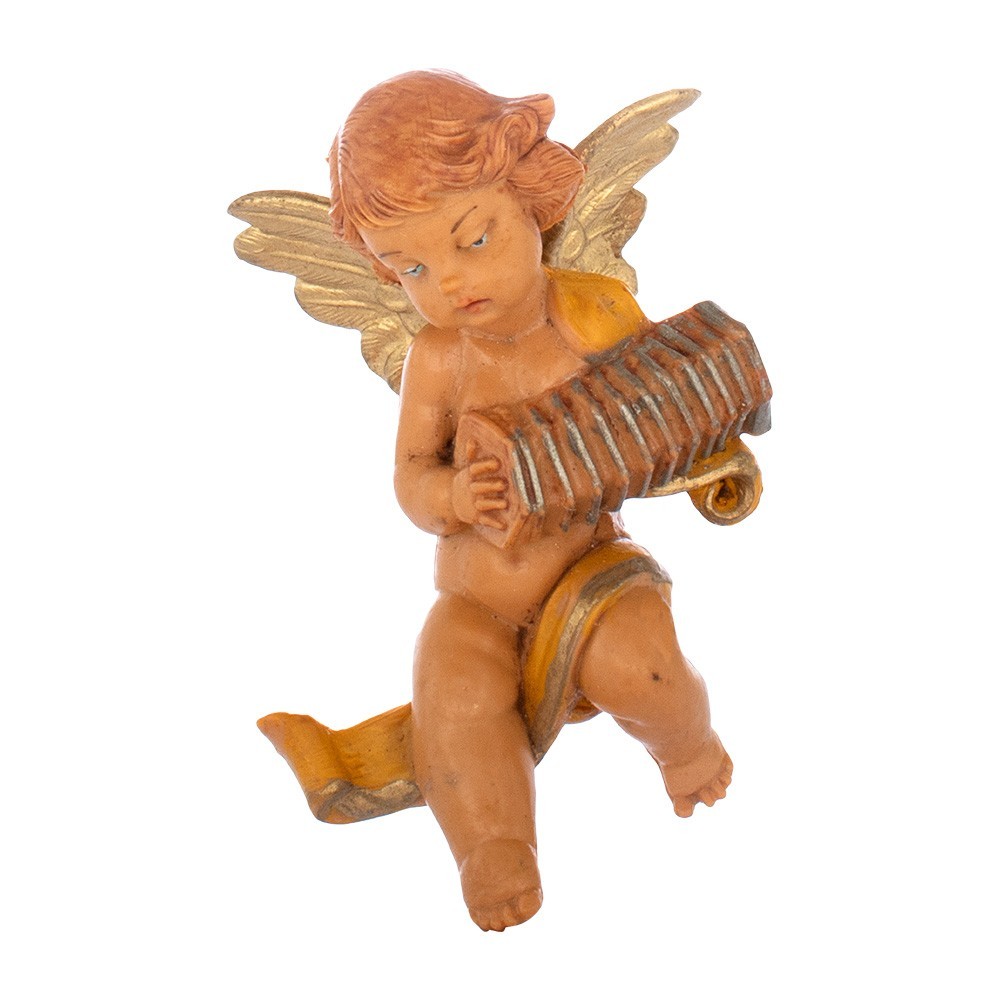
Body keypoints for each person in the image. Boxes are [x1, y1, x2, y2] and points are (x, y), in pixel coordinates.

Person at [327, 70, 732, 932]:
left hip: (592, 569)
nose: (449, 283)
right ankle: (495, 846)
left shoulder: (587, 312)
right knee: (452, 700)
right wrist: (451, 494)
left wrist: (710, 460)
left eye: (474, 239)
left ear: (531, 204)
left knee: (646, 672)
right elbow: (409, 479)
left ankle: (688, 744)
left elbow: (667, 408)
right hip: (476, 598)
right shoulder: (440, 357)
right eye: (412, 267)